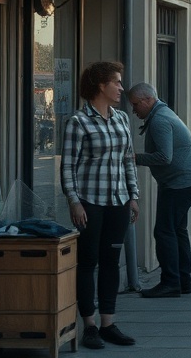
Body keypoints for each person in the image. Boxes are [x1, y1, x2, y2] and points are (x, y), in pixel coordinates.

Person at [61, 61, 139, 350]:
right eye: (116, 82)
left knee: (111, 262)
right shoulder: (78, 122)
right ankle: (89, 325)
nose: (121, 88)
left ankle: (108, 324)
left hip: (118, 201)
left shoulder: (121, 119)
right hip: (89, 202)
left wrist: (133, 196)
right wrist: (74, 201)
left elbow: (128, 160)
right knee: (87, 262)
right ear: (100, 86)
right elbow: (67, 167)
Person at [127, 82, 191, 299]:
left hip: (179, 183)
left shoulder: (159, 120)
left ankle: (170, 283)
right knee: (177, 229)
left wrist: (134, 158)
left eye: (135, 104)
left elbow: (164, 157)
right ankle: (182, 281)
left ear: (148, 100)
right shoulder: (163, 113)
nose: (133, 110)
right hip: (187, 181)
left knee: (164, 231)